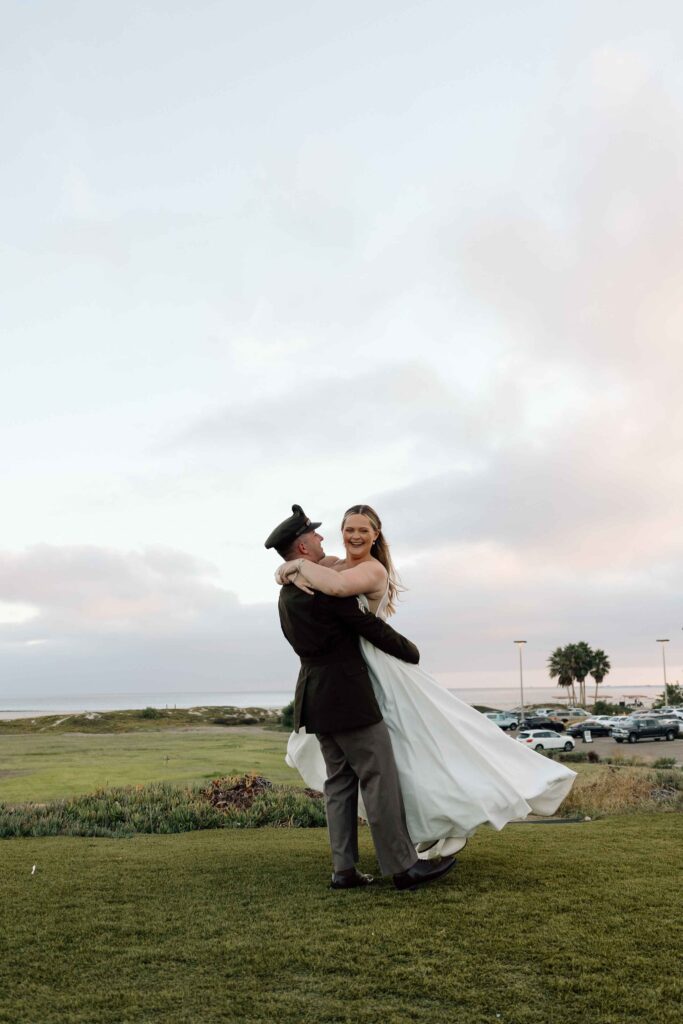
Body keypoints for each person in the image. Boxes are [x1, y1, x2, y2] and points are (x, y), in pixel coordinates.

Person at [277, 504, 577, 859]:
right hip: (353, 675)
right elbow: (312, 570)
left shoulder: (370, 570)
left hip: (373, 669)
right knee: (392, 763)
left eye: (363, 530)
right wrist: (288, 566)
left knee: (417, 748)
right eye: (348, 529)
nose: (353, 536)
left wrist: (294, 566)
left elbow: (339, 589)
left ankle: (421, 833)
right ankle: (406, 848)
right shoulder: (329, 565)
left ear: (376, 535)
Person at [265, 505, 457, 891]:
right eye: (315, 536)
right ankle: (403, 868)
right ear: (303, 547)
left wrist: (289, 569)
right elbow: (368, 627)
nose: (323, 539)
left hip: (314, 698)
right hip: (349, 697)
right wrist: (411, 651)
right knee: (379, 778)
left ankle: (344, 870)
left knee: (339, 784)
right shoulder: (325, 593)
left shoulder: (288, 596)